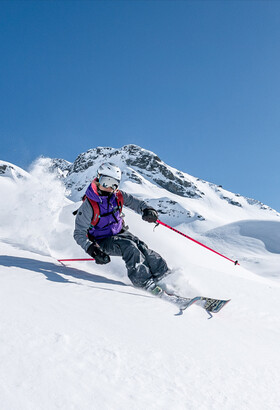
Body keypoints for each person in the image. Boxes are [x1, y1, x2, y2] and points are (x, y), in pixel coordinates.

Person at [73, 162, 171, 296]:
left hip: (120, 232)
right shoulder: (89, 205)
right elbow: (79, 233)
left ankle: (164, 276)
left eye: (114, 184)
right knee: (130, 248)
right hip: (102, 241)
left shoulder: (118, 195)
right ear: (98, 179)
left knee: (142, 248)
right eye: (106, 182)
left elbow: (138, 203)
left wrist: (147, 210)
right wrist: (93, 251)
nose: (109, 188)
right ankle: (144, 282)